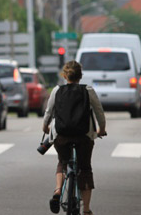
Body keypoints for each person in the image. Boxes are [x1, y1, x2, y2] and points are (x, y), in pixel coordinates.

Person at [43, 60, 106, 215]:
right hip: (83, 136)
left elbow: (49, 112)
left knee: (62, 162)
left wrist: (45, 127)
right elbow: (99, 112)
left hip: (62, 136)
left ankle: (58, 191)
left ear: (65, 75)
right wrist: (101, 129)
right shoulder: (88, 90)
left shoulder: (57, 90)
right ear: (80, 76)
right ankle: (86, 210)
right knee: (85, 168)